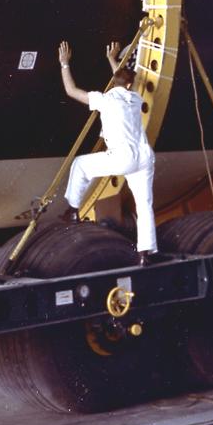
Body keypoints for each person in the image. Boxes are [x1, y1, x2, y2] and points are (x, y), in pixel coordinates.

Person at [55, 40, 157, 265]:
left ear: (114, 85)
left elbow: (71, 90)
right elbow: (122, 80)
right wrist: (112, 60)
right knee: (144, 204)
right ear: (130, 85)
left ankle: (73, 209)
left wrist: (64, 64)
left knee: (80, 164)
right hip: (144, 156)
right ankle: (145, 253)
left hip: (123, 157)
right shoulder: (135, 98)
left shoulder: (106, 99)